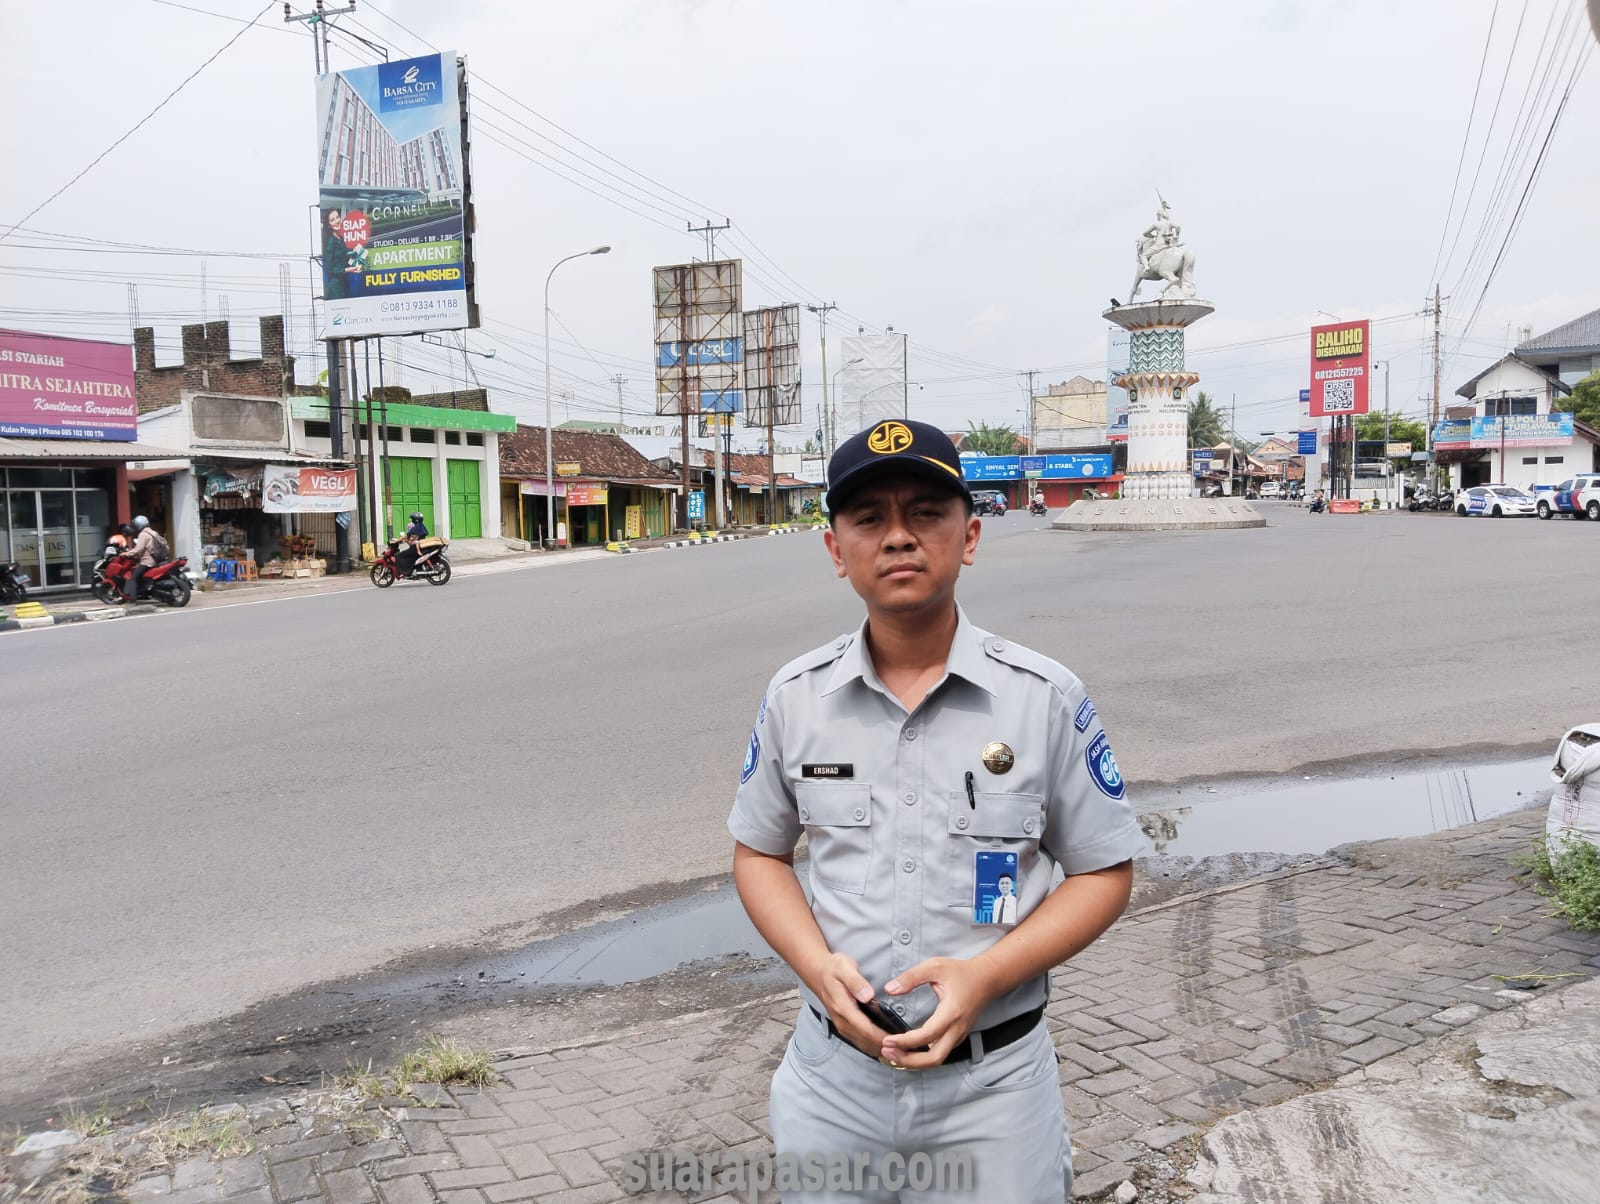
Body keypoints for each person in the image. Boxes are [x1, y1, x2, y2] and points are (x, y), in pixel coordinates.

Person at [728, 417, 1143, 1200]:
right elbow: (759, 852)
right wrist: (818, 969)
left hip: (995, 1095)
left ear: (970, 536)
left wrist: (987, 976)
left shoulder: (1045, 699)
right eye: (869, 519)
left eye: (925, 512)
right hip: (834, 1087)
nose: (898, 538)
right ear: (835, 549)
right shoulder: (796, 699)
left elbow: (1104, 871)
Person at [122, 516, 168, 603]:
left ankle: (133, 601)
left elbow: (138, 549)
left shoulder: (143, 534)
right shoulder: (153, 532)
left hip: (147, 562)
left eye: (135, 526)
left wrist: (126, 554)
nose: (134, 528)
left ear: (139, 525)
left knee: (133, 579)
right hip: (156, 560)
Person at [398, 511, 428, 578]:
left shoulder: (416, 527)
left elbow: (407, 535)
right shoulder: (421, 526)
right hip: (421, 545)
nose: (412, 520)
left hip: (416, 547)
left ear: (415, 519)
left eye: (412, 519)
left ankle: (406, 571)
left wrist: (396, 541)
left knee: (400, 556)